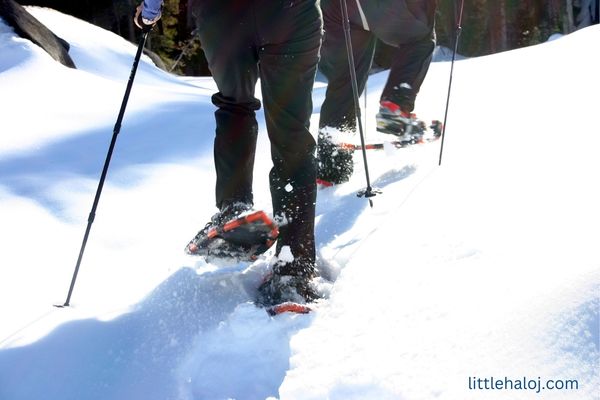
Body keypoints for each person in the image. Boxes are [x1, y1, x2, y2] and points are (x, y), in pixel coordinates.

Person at [135, 0, 324, 306]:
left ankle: (234, 207)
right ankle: (294, 270)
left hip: (223, 16)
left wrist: (151, 8)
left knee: (235, 106)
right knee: (291, 134)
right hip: (289, 13)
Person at [317, 0, 438, 185]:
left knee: (346, 78)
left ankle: (332, 162)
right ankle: (395, 108)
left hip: (337, 8)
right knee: (420, 39)